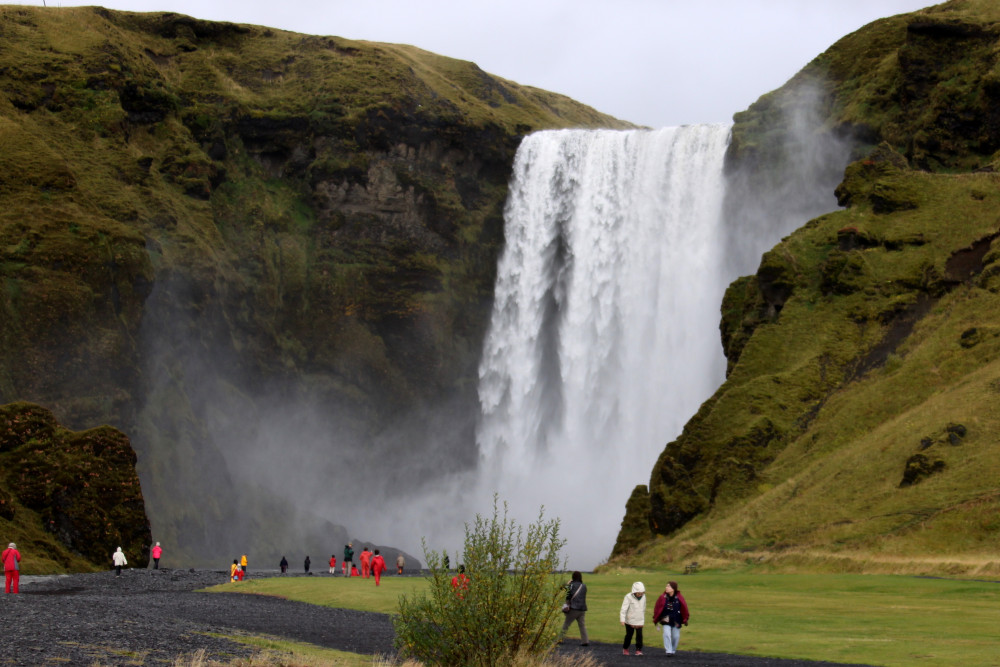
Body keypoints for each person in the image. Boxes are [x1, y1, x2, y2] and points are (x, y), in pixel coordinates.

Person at [653, 581, 690, 656]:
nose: (666, 587)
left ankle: (673, 650)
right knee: (666, 634)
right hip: (666, 618)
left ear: (673, 589)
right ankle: (668, 651)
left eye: (669, 586)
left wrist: (685, 618)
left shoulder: (679, 597)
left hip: (676, 619)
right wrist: (656, 618)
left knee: (676, 636)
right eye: (666, 586)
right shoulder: (662, 597)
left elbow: (684, 608)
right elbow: (657, 607)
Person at [560, 571, 589, 646]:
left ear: (573, 577)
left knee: (566, 624)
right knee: (582, 625)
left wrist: (568, 583)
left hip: (573, 608)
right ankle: (585, 641)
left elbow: (562, 589)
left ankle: (560, 638)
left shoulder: (571, 585)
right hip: (582, 609)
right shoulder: (584, 586)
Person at [620, 581, 646, 656]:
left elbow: (643, 608)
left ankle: (638, 650)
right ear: (634, 592)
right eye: (639, 593)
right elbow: (623, 609)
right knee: (629, 635)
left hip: (639, 619)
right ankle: (625, 648)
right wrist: (622, 619)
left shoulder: (644, 597)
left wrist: (642, 619)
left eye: (642, 593)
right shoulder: (628, 597)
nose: (640, 595)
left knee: (639, 635)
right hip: (630, 620)